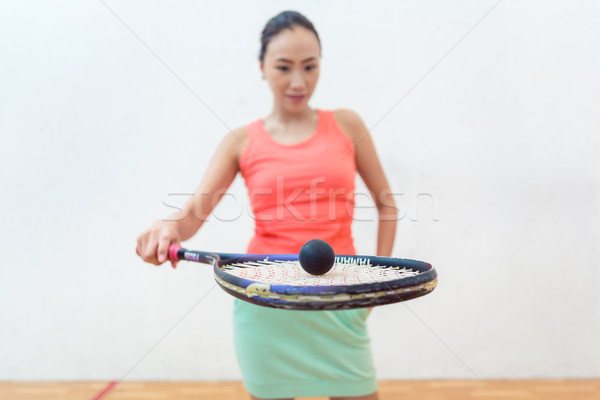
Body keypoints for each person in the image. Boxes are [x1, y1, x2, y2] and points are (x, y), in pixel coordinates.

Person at [137, 10, 397, 400]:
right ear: (261, 67)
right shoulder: (240, 141)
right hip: (266, 305)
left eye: (310, 66)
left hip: (340, 299)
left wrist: (374, 287)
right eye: (283, 67)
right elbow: (193, 212)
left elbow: (386, 205)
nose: (298, 81)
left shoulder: (348, 125)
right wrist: (168, 227)